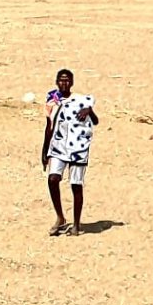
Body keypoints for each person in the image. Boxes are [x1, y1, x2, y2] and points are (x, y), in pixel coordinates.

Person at [42, 68, 100, 236]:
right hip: (59, 146)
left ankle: (76, 223)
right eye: (61, 80)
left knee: (76, 184)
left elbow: (95, 121)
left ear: (72, 82)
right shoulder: (52, 103)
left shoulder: (81, 101)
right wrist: (45, 151)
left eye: (67, 80)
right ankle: (60, 217)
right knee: (53, 179)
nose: (64, 83)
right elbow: (49, 127)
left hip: (78, 148)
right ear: (57, 82)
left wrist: (89, 111)